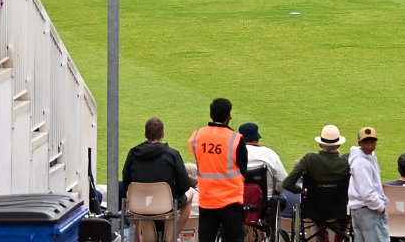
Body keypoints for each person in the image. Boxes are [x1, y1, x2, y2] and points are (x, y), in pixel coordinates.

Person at [122, 117, 194, 242]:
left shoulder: (133, 154)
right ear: (163, 134)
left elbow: (126, 182)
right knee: (190, 194)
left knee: (133, 198)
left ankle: (137, 235)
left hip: (140, 204)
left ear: (145, 134)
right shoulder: (172, 154)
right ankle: (173, 237)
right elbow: (184, 185)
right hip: (166, 204)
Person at [189, 97, 248, 242]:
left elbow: (200, 159)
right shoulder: (236, 139)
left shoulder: (196, 137)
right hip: (231, 200)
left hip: (207, 199)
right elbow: (243, 168)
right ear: (228, 116)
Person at [281, 125, 350, 242]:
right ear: (338, 145)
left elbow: (287, 184)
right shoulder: (348, 160)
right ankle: (339, 234)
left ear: (320, 144)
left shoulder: (309, 159)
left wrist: (301, 190)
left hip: (315, 208)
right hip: (341, 207)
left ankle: (322, 234)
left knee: (320, 204)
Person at [347, 127, 388, 242]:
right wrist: (381, 207)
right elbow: (367, 193)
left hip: (362, 209)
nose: (370, 145)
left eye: (372, 142)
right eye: (366, 142)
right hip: (368, 210)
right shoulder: (361, 163)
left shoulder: (369, 157)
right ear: (360, 143)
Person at [238, 122, 287, 195]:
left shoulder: (232, 154)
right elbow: (284, 184)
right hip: (265, 203)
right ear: (257, 138)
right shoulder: (270, 154)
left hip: (236, 201)